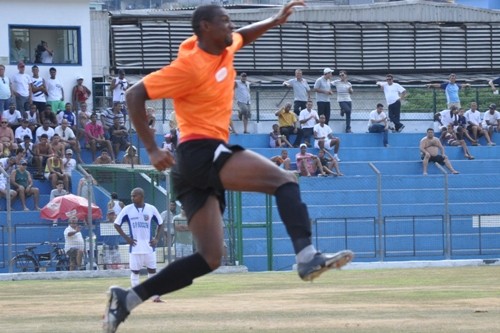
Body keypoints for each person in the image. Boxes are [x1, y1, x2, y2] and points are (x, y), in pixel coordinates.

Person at [102, 3, 353, 332]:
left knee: (211, 257)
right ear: (205, 27)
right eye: (225, 21)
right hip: (199, 150)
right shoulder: (189, 65)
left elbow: (244, 36)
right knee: (285, 179)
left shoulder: (223, 46)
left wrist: (275, 20)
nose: (231, 26)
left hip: (193, 164)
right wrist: (150, 147)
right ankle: (306, 256)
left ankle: (127, 300)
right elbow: (135, 94)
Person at [113, 187, 163, 303]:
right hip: (135, 248)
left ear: (141, 196)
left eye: (134, 195)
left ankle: (155, 297)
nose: (132, 198)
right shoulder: (127, 209)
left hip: (149, 248)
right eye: (131, 196)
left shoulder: (151, 209)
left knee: (152, 271)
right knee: (135, 272)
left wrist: (156, 239)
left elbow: (161, 223)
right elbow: (116, 224)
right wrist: (127, 238)